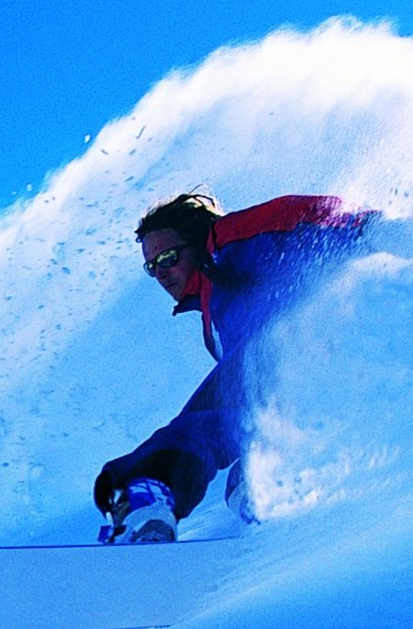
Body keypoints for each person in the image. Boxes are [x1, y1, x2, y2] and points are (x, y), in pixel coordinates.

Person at [94, 191, 376, 542]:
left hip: (308, 348)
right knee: (248, 477)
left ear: (197, 241)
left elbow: (305, 216)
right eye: (152, 267)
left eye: (168, 257)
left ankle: (146, 494)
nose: (162, 274)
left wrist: (372, 229)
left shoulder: (231, 240)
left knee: (210, 415)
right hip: (317, 392)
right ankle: (279, 513)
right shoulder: (214, 311)